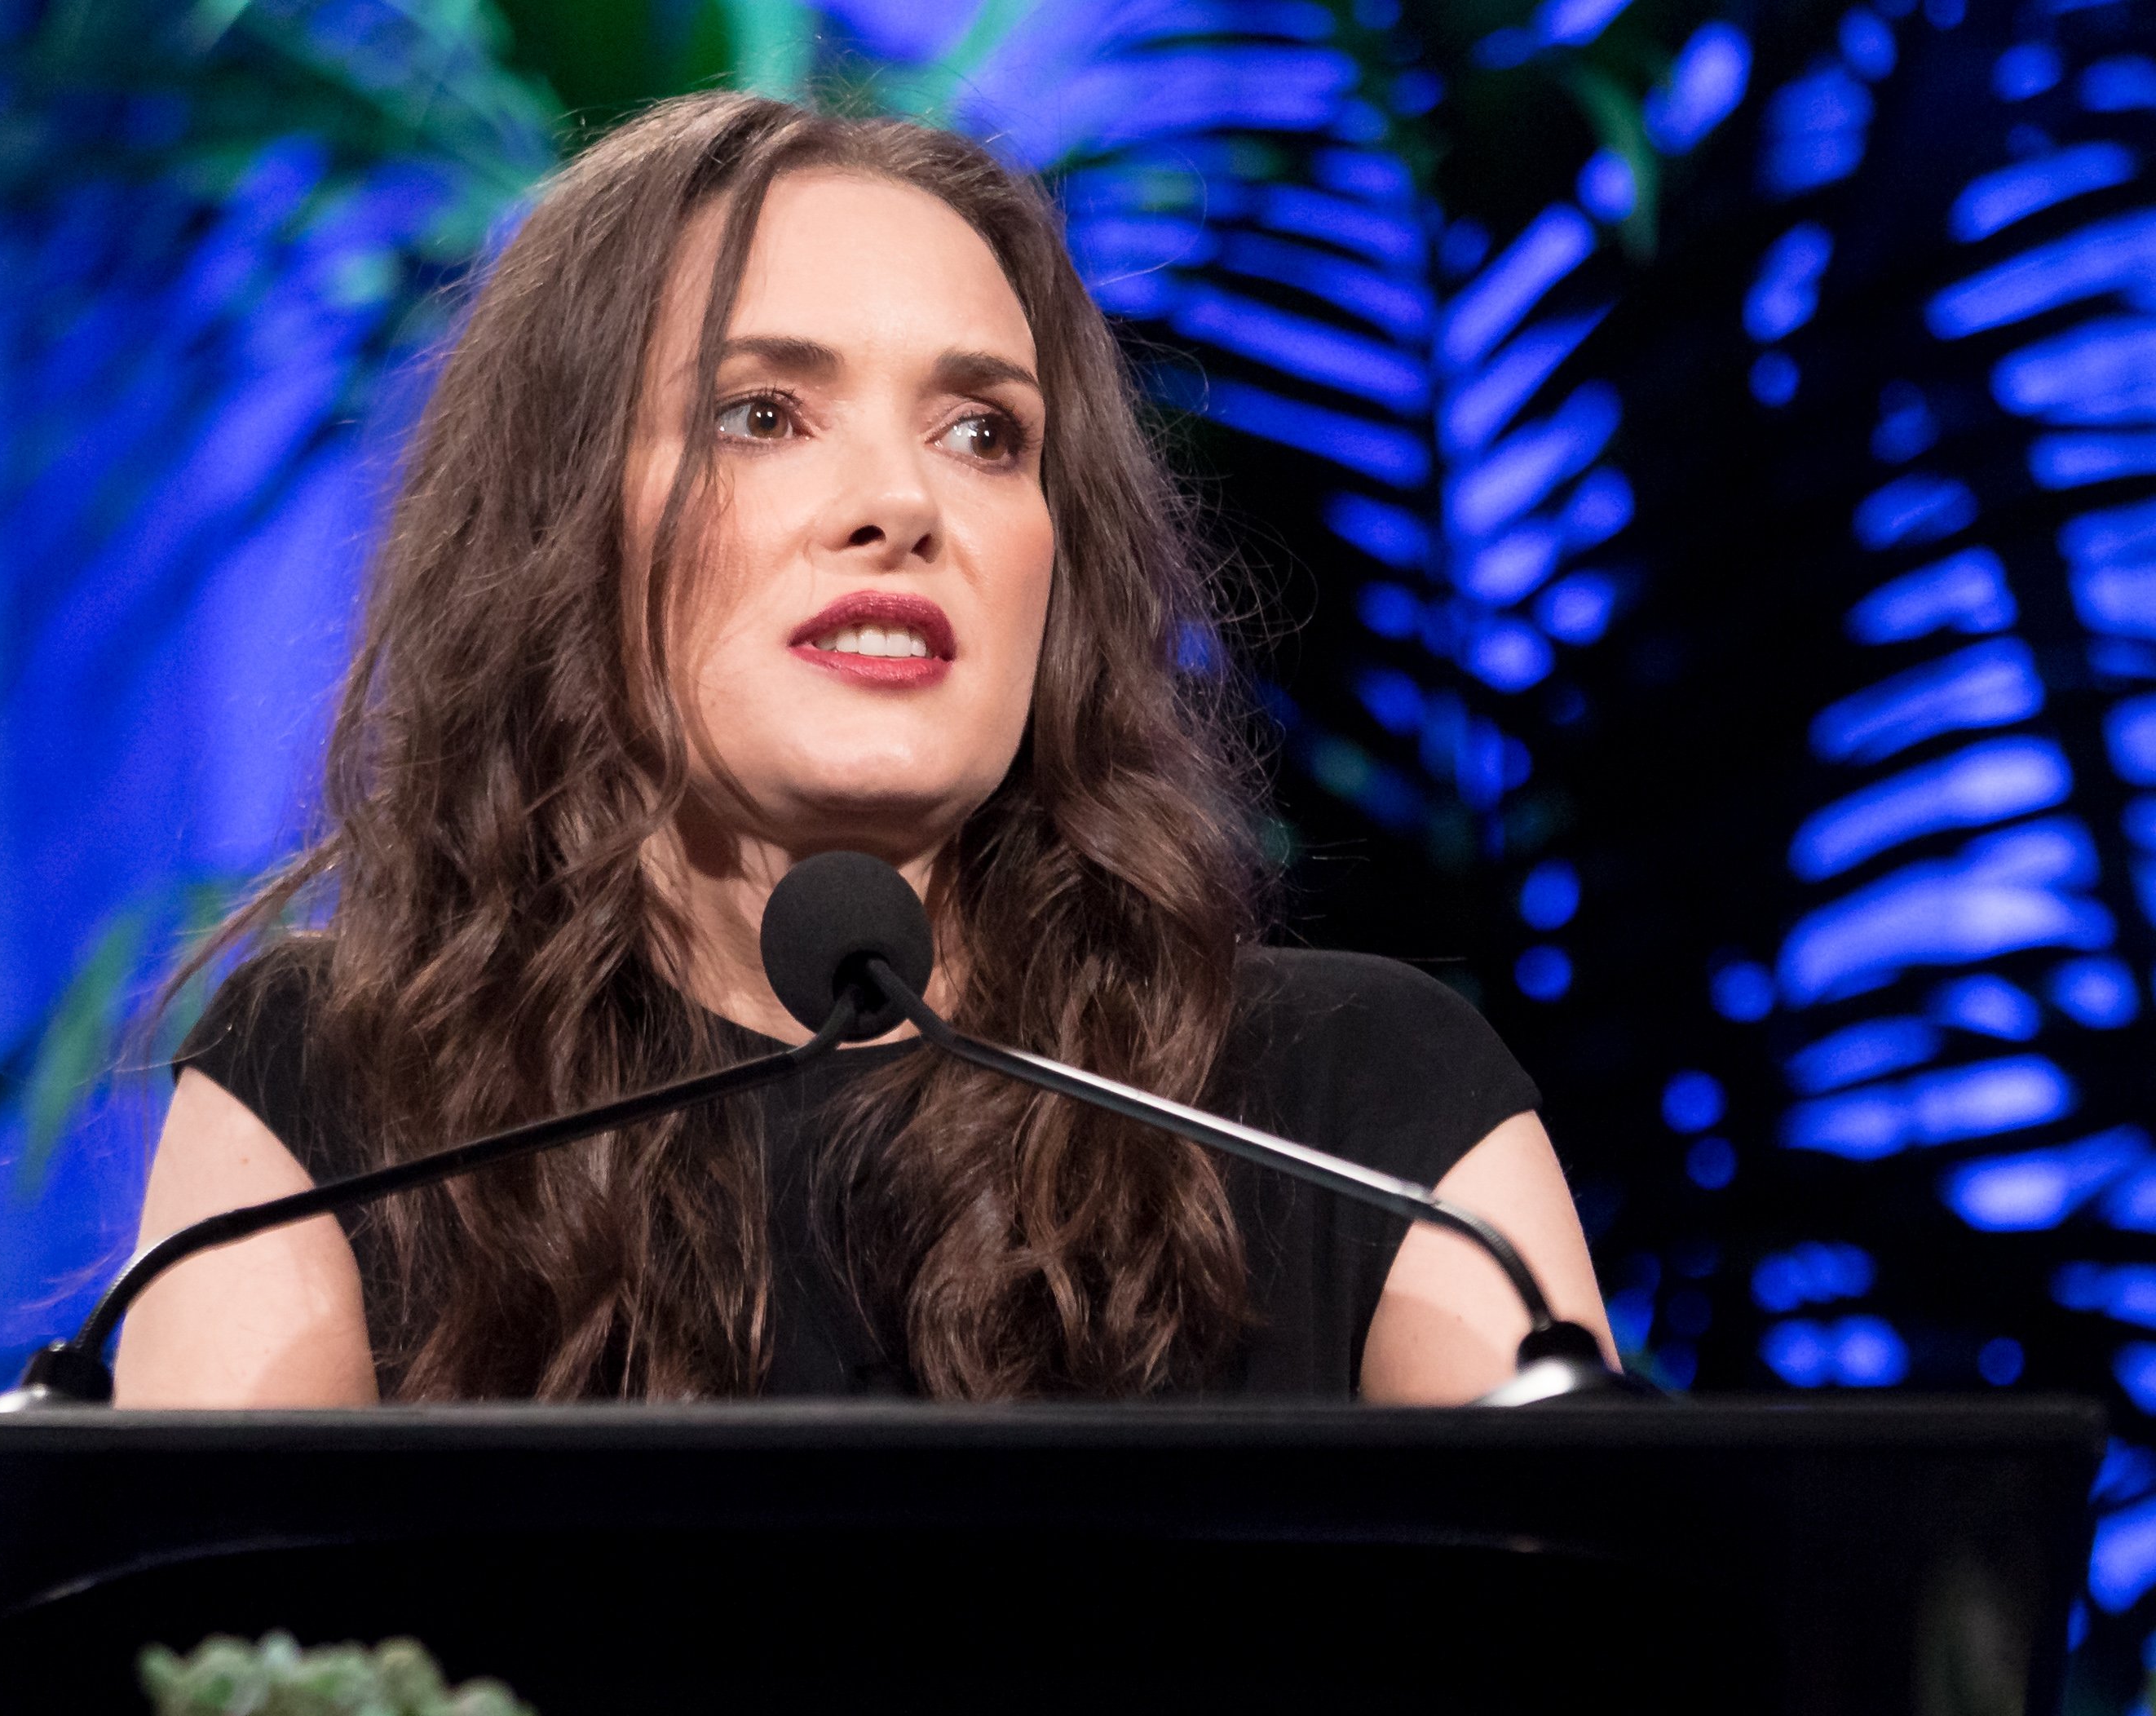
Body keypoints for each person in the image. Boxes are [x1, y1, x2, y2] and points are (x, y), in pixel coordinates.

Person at [116, 95, 1610, 1408]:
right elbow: (165, 1680)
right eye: (762, 415)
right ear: (557, 532)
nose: (898, 500)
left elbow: (1629, 1681)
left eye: (983, 434)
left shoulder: (1357, 1106)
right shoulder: (344, 1091)